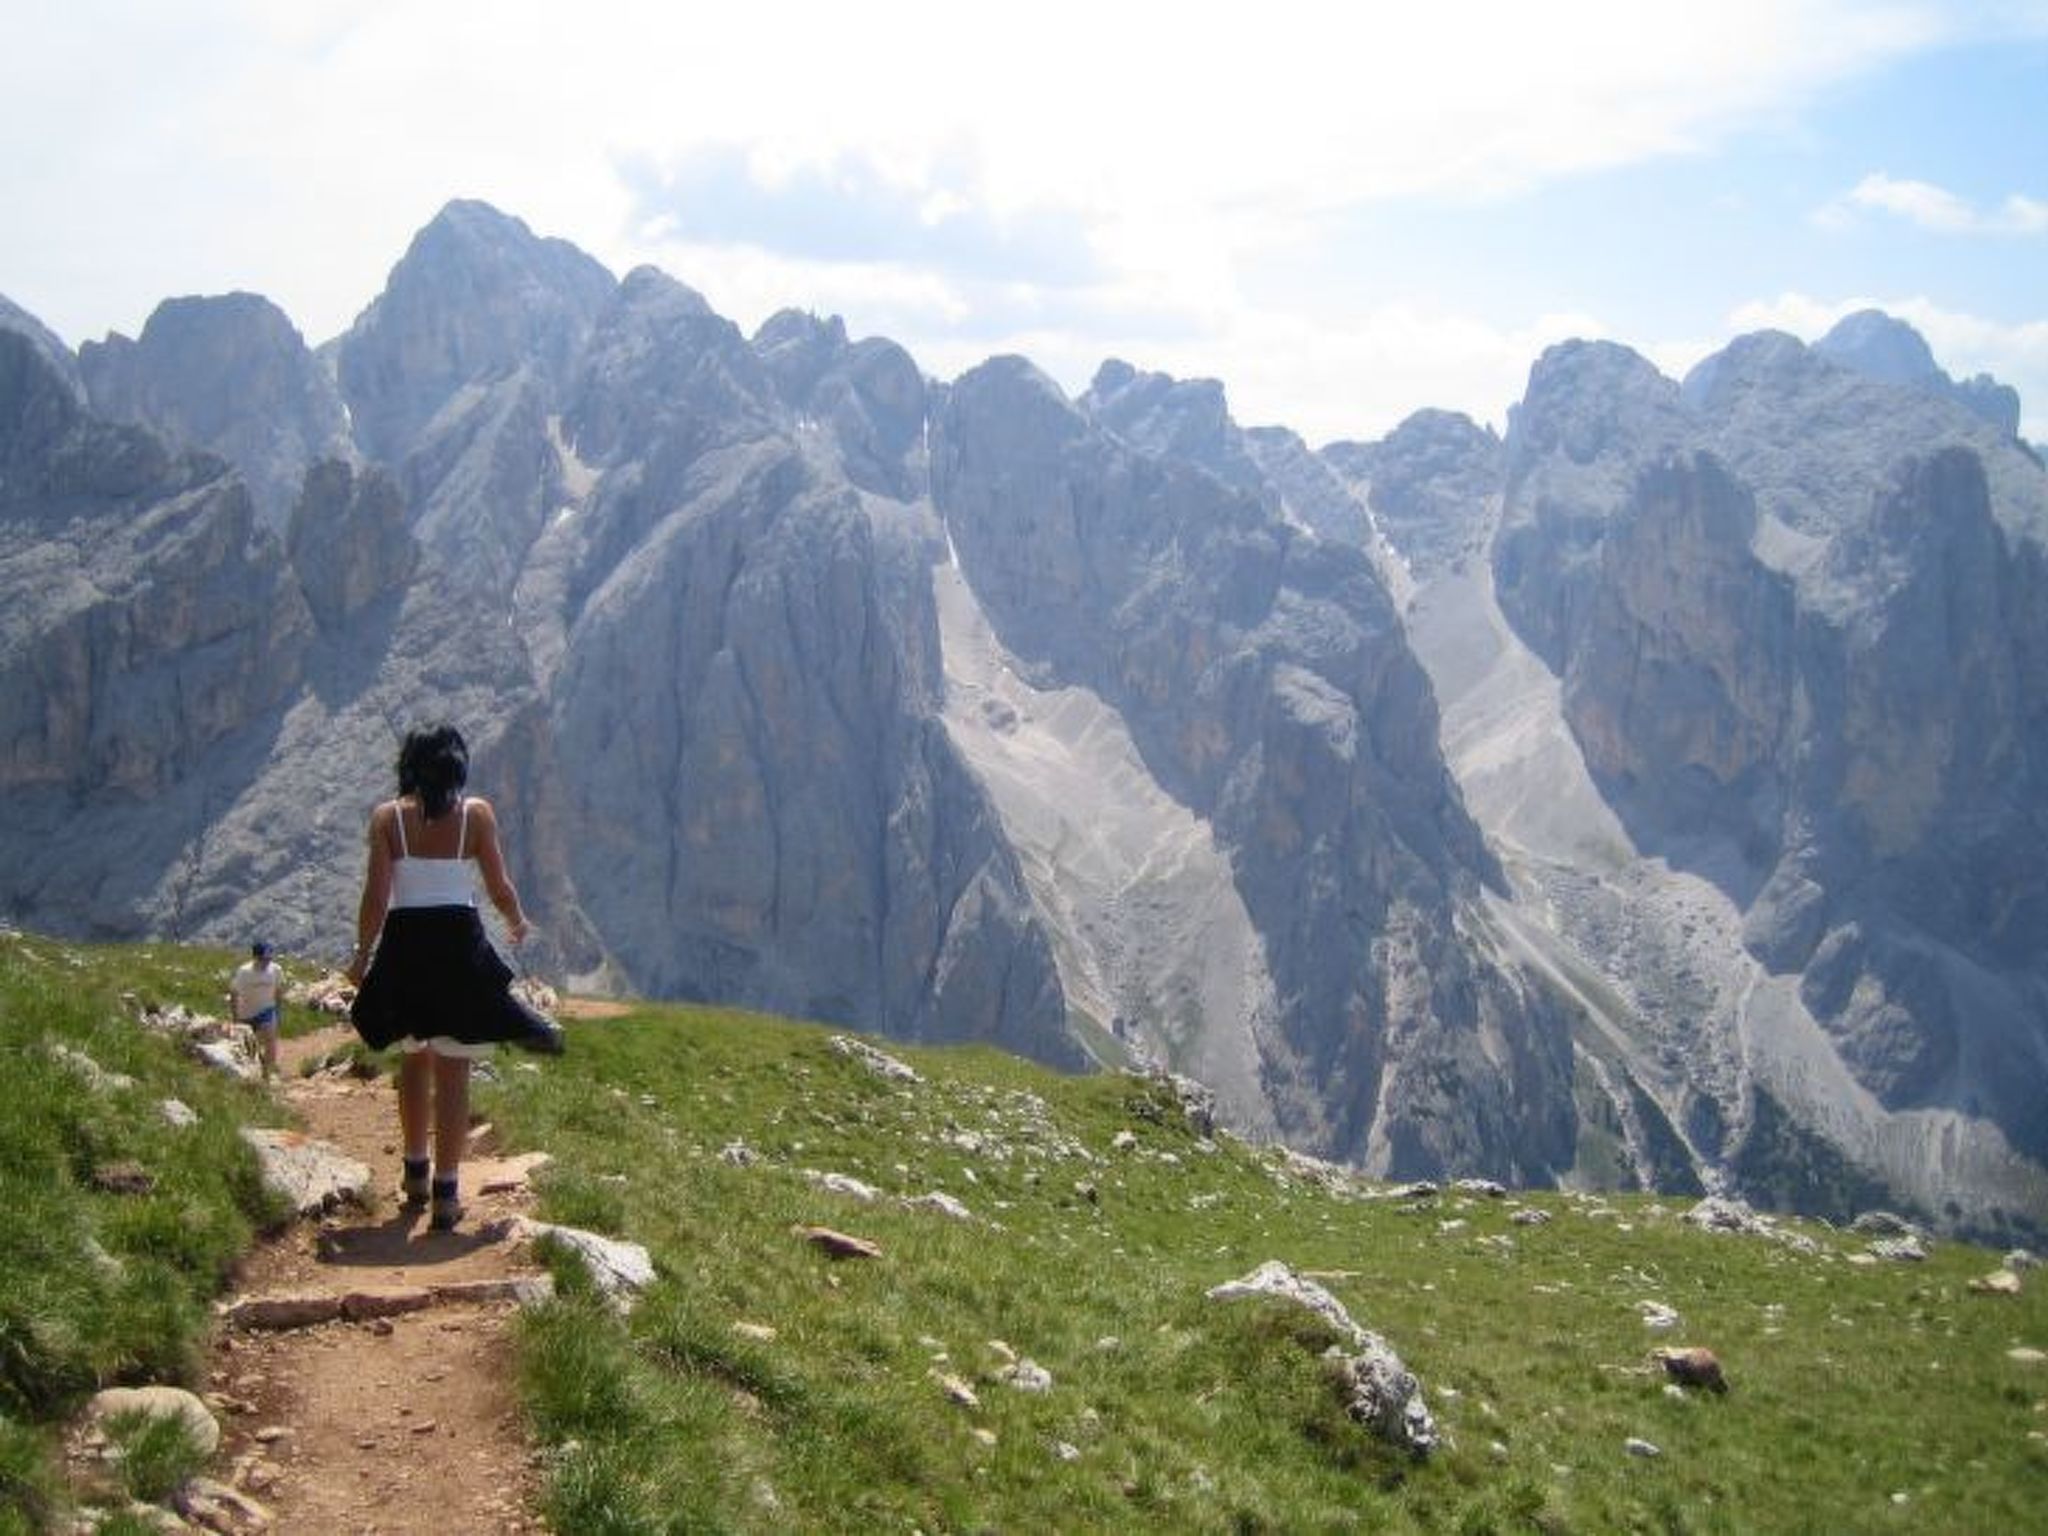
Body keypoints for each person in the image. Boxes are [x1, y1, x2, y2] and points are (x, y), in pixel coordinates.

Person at [344, 724, 562, 1232]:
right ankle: (447, 1190)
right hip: (458, 944)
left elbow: (376, 899)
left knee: (413, 1056)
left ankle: (414, 1171)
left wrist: (361, 956)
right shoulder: (475, 816)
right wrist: (516, 921)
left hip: (406, 944)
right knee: (455, 1063)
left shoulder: (388, 820)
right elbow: (499, 885)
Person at [227, 940, 284, 1080]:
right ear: (256, 957)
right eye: (263, 959)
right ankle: (252, 1072)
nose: (267, 962)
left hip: (267, 1010)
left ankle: (268, 1073)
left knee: (270, 1041)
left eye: (269, 958)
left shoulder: (276, 970)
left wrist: (278, 1010)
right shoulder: (244, 972)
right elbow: (234, 993)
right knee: (250, 1045)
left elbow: (278, 990)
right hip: (246, 1013)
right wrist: (235, 1017)